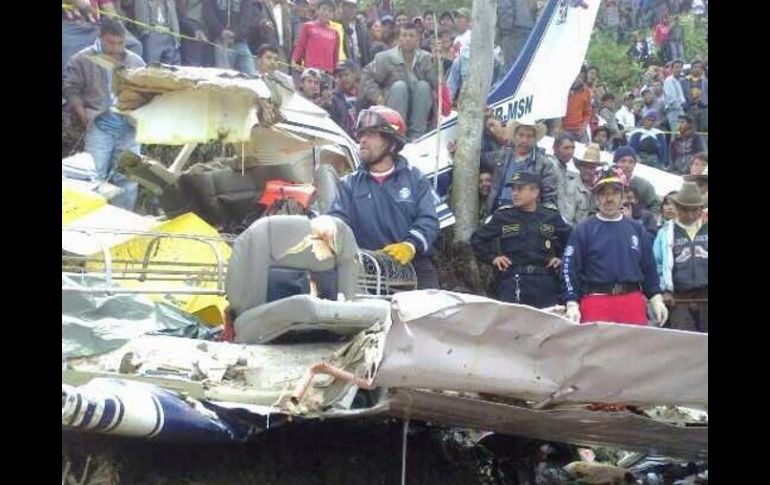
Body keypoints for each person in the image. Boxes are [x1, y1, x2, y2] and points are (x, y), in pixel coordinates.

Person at [312, 106, 440, 289]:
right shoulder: (349, 184)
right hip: (368, 272)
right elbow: (338, 221)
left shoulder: (415, 178)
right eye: (361, 134)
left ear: (392, 143)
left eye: (371, 134)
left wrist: (410, 245)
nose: (363, 140)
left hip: (415, 267)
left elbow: (429, 220)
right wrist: (326, 229)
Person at [562, 166, 668, 326]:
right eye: (603, 194)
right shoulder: (583, 230)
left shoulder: (637, 229)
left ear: (623, 196)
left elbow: (649, 268)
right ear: (595, 198)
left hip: (632, 303)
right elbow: (569, 269)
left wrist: (656, 298)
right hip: (595, 302)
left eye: (614, 193)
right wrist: (571, 302)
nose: (609, 199)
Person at [63, 18, 146, 210]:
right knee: (94, 176)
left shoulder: (135, 61)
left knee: (128, 178)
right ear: (100, 38)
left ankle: (122, 221)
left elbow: (146, 90)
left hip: (129, 127)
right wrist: (83, 115)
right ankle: (92, 219)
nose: (116, 48)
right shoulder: (82, 59)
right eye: (111, 43)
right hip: (98, 126)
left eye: (120, 43)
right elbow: (70, 89)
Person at [471, 172, 571, 308]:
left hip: (544, 281)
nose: (515, 193)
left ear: (535, 192)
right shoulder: (503, 216)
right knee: (511, 321)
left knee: (544, 320)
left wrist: (561, 258)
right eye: (513, 189)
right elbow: (477, 240)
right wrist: (493, 258)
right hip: (513, 280)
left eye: (520, 189)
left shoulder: (551, 216)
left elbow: (572, 241)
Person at [360, 22, 438, 140]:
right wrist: (378, 97)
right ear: (399, 39)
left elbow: (437, 83)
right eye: (404, 35)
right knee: (400, 87)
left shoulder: (425, 58)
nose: (408, 39)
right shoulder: (385, 58)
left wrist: (436, 63)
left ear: (418, 40)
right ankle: (397, 134)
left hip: (417, 104)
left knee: (424, 86)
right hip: (394, 102)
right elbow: (367, 77)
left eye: (411, 36)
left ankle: (416, 135)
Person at [653, 182, 708, 332]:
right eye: (685, 210)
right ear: (677, 207)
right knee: (683, 339)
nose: (690, 215)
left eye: (694, 210)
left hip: (706, 294)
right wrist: (664, 290)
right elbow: (657, 264)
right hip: (678, 297)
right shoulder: (665, 233)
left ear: (701, 208)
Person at [486, 119, 559, 214]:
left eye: (529, 136)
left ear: (534, 139)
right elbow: (481, 158)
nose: (524, 140)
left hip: (527, 214)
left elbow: (549, 197)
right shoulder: (502, 156)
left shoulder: (544, 164)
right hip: (498, 211)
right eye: (521, 135)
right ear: (515, 136)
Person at [203, 0, 260, 75]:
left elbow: (247, 17)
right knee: (225, 75)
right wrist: (220, 31)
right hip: (221, 42)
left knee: (251, 75)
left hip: (241, 42)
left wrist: (236, 34)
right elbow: (208, 13)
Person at [291, 0, 340, 74]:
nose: (326, 13)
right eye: (324, 9)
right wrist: (294, 61)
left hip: (327, 73)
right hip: (311, 70)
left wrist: (335, 72)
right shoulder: (307, 26)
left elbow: (335, 56)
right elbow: (300, 47)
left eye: (330, 11)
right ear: (317, 10)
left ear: (333, 15)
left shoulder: (335, 33)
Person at [561, 144, 603, 226]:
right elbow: (567, 219)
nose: (588, 171)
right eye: (585, 167)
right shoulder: (571, 188)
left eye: (591, 168)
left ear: (596, 170)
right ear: (579, 167)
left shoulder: (599, 189)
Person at [613, 146, 661, 213]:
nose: (627, 165)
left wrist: (641, 216)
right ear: (615, 163)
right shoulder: (607, 182)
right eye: (623, 161)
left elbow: (655, 206)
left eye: (631, 162)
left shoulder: (644, 186)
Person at [133, 0, 181, 65]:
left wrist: (176, 37)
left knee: (173, 65)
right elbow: (142, 24)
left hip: (169, 35)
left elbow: (174, 19)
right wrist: (152, 30)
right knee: (153, 66)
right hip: (151, 35)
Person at [497, 0, 538, 70]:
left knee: (514, 68)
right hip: (529, 30)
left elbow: (505, 11)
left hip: (513, 34)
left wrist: (504, 32)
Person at [328, 60, 360, 137]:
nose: (343, 79)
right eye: (340, 76)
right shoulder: (333, 99)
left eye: (346, 74)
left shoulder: (365, 97)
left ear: (354, 74)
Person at [178, 0, 213, 67]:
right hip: (191, 36)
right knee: (193, 67)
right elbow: (180, 13)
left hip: (209, 35)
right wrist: (195, 29)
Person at [563, 68, 593, 142]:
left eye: (581, 77)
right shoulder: (563, 88)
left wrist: (583, 127)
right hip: (562, 128)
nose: (578, 79)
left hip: (578, 129)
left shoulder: (586, 91)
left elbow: (587, 113)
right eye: (576, 76)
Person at [681, 59, 708, 132]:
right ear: (691, 68)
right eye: (695, 67)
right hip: (690, 109)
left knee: (704, 131)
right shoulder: (684, 81)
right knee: (691, 131)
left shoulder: (705, 81)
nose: (697, 69)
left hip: (703, 109)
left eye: (699, 67)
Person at [663, 59, 687, 132]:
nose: (678, 69)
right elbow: (672, 98)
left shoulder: (678, 80)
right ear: (671, 69)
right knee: (676, 132)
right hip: (673, 110)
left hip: (680, 110)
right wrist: (682, 105)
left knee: (682, 132)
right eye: (676, 67)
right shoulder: (669, 80)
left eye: (680, 67)